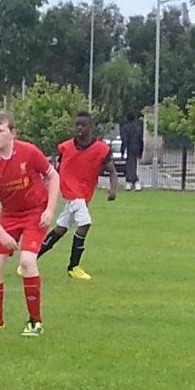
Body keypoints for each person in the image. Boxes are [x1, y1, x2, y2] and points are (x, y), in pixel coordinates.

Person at [0, 111, 59, 338]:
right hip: (9, 216)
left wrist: (50, 210)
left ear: (12, 133)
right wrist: (2, 233)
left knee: (27, 261)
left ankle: (35, 322)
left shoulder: (29, 152)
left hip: (35, 214)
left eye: (0, 130)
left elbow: (53, 176)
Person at [34, 111, 117, 281]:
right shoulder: (65, 147)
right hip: (72, 192)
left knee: (60, 229)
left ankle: (29, 260)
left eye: (83, 125)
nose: (79, 128)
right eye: (77, 124)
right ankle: (73, 267)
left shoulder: (101, 149)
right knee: (85, 224)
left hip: (84, 194)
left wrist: (113, 189)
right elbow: (56, 170)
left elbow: (112, 171)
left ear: (90, 127)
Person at [120, 115, 143, 191]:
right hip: (137, 147)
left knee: (130, 165)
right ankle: (131, 182)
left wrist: (122, 151)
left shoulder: (125, 128)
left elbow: (124, 140)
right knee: (133, 164)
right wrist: (141, 152)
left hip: (129, 147)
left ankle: (134, 181)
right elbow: (141, 140)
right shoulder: (138, 128)